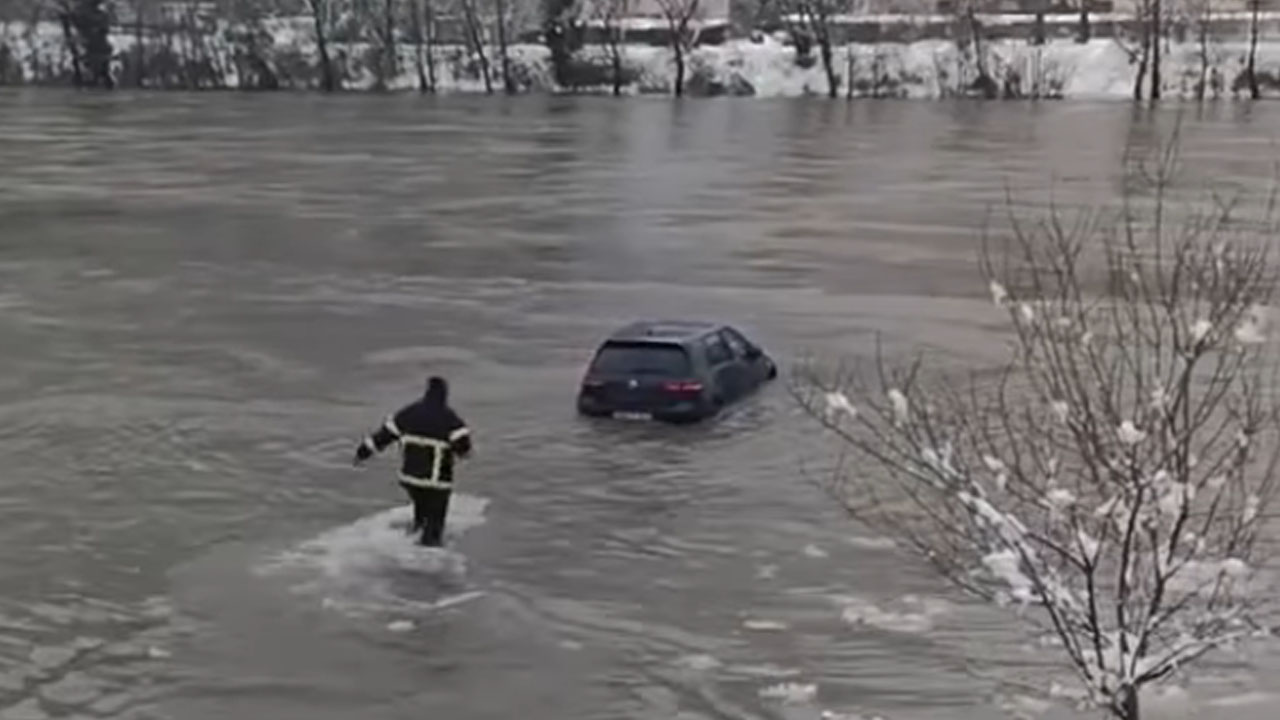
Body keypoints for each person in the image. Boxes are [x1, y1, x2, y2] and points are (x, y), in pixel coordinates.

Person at [353, 376, 472, 547]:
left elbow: (382, 437)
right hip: (436, 483)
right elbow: (463, 449)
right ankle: (428, 558)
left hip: (410, 480)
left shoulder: (408, 413)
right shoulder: (450, 419)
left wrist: (362, 453)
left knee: (421, 514)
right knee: (434, 527)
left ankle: (412, 545)